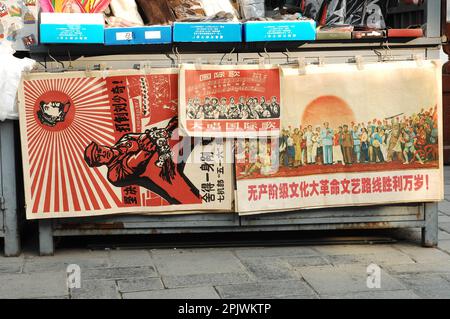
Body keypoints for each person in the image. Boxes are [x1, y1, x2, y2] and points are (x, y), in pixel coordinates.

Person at [84, 117, 200, 205]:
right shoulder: (113, 174)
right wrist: (146, 147)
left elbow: (145, 137)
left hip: (168, 150)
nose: (102, 153)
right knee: (193, 201)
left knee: (186, 121)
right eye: (98, 157)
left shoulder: (125, 139)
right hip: (163, 175)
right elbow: (133, 163)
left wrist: (164, 131)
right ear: (99, 164)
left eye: (99, 150)